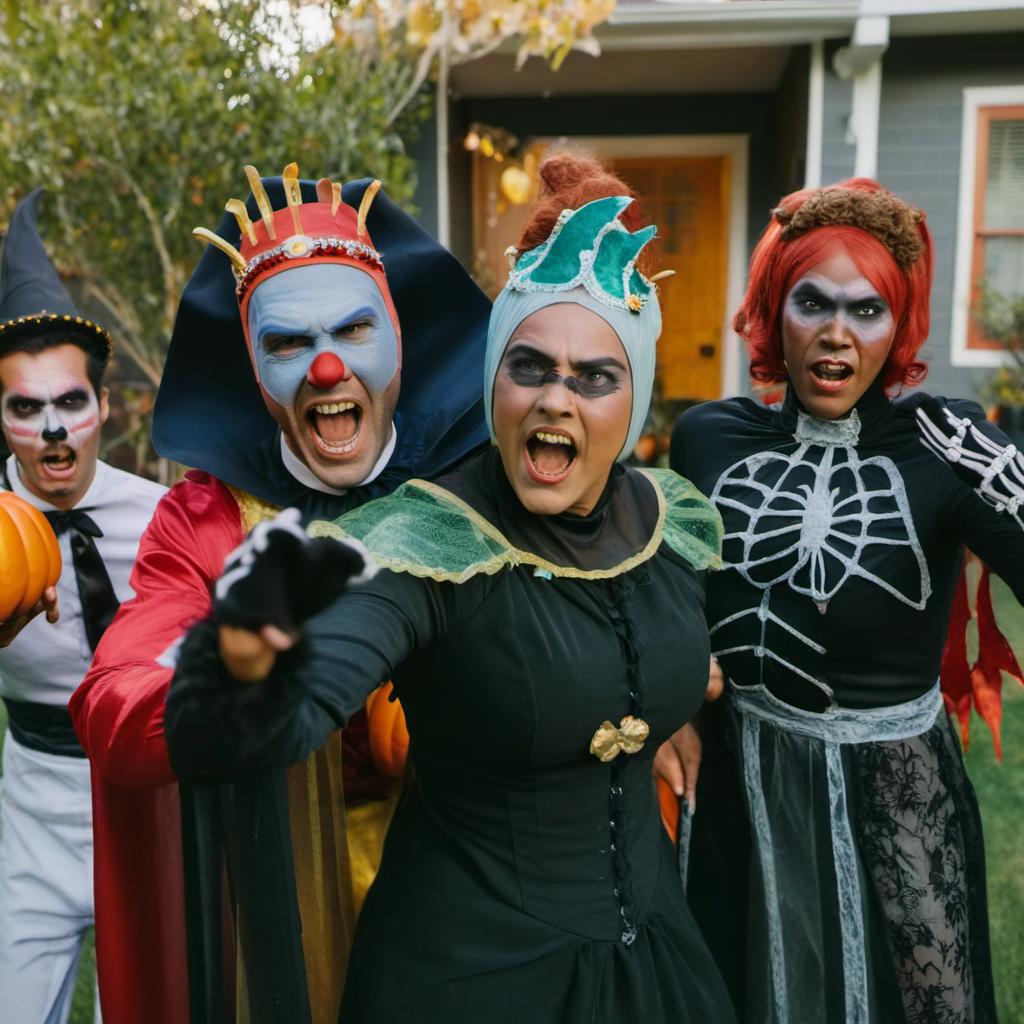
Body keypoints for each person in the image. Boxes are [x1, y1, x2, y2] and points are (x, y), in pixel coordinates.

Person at [163, 153, 734, 1023]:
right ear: (493, 377)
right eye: (529, 367)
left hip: (652, 962)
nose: (556, 401)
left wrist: (678, 699)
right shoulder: (428, 540)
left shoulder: (668, 519)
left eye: (595, 377)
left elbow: (681, 650)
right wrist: (249, 664)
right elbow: (297, 700)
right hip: (467, 977)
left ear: (636, 399)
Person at [68, 164, 491, 1023]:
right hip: (285, 903)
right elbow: (114, 699)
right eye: (290, 344)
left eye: (353, 330)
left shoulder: (478, 489)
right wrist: (221, 678)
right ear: (254, 369)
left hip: (470, 893)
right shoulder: (207, 518)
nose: (328, 367)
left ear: (400, 337)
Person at [669, 177, 1019, 1024]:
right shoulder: (708, 438)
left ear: (897, 326)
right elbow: (671, 588)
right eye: (812, 303)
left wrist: (1002, 474)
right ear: (771, 312)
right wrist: (673, 705)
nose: (835, 333)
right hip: (741, 782)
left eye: (867, 312)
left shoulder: (940, 445)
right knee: (740, 987)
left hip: (895, 788)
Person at [0, 188, 166, 1023]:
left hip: (146, 795)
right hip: (34, 795)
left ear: (105, 407)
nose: (53, 429)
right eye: (26, 409)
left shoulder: (163, 515)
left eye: (71, 402)